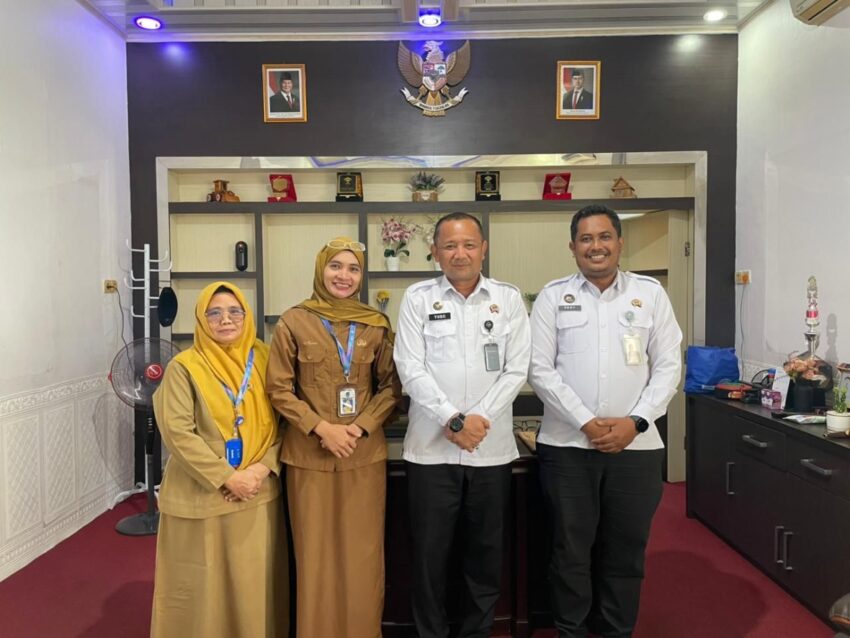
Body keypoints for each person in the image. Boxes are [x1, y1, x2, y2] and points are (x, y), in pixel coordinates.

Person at [528, 204, 683, 638]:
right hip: (567, 447)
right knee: (570, 550)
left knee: (626, 550)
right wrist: (585, 421)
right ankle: (571, 630)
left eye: (604, 237)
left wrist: (637, 421)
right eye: (586, 239)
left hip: (636, 448)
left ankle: (617, 630)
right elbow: (539, 369)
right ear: (572, 246)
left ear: (619, 242)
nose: (595, 246)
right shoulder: (553, 296)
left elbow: (668, 365)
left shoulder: (650, 294)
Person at [394, 212, 531, 638]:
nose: (460, 253)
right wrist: (452, 419)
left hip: (490, 452)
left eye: (469, 244)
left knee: (485, 557)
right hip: (430, 452)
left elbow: (517, 369)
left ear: (483, 248)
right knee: (428, 559)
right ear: (435, 252)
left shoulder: (507, 299)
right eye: (450, 246)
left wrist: (477, 420)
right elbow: (409, 368)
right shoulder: (418, 298)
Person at [266, 237, 402, 638]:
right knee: (314, 557)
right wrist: (321, 428)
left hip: (363, 455)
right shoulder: (294, 321)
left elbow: (392, 387)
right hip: (309, 457)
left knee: (363, 555)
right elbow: (278, 389)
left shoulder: (375, 324)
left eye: (353, 268)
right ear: (320, 269)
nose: (344, 276)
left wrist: (359, 427)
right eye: (336, 266)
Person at [151, 281, 288, 638]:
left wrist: (260, 469)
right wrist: (228, 477)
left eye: (234, 311)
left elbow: (287, 421)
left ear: (246, 315)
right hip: (204, 496)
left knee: (253, 588)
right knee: (204, 593)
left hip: (258, 493)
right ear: (201, 318)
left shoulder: (267, 359)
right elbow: (177, 432)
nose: (225, 320)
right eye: (214, 313)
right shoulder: (184, 367)